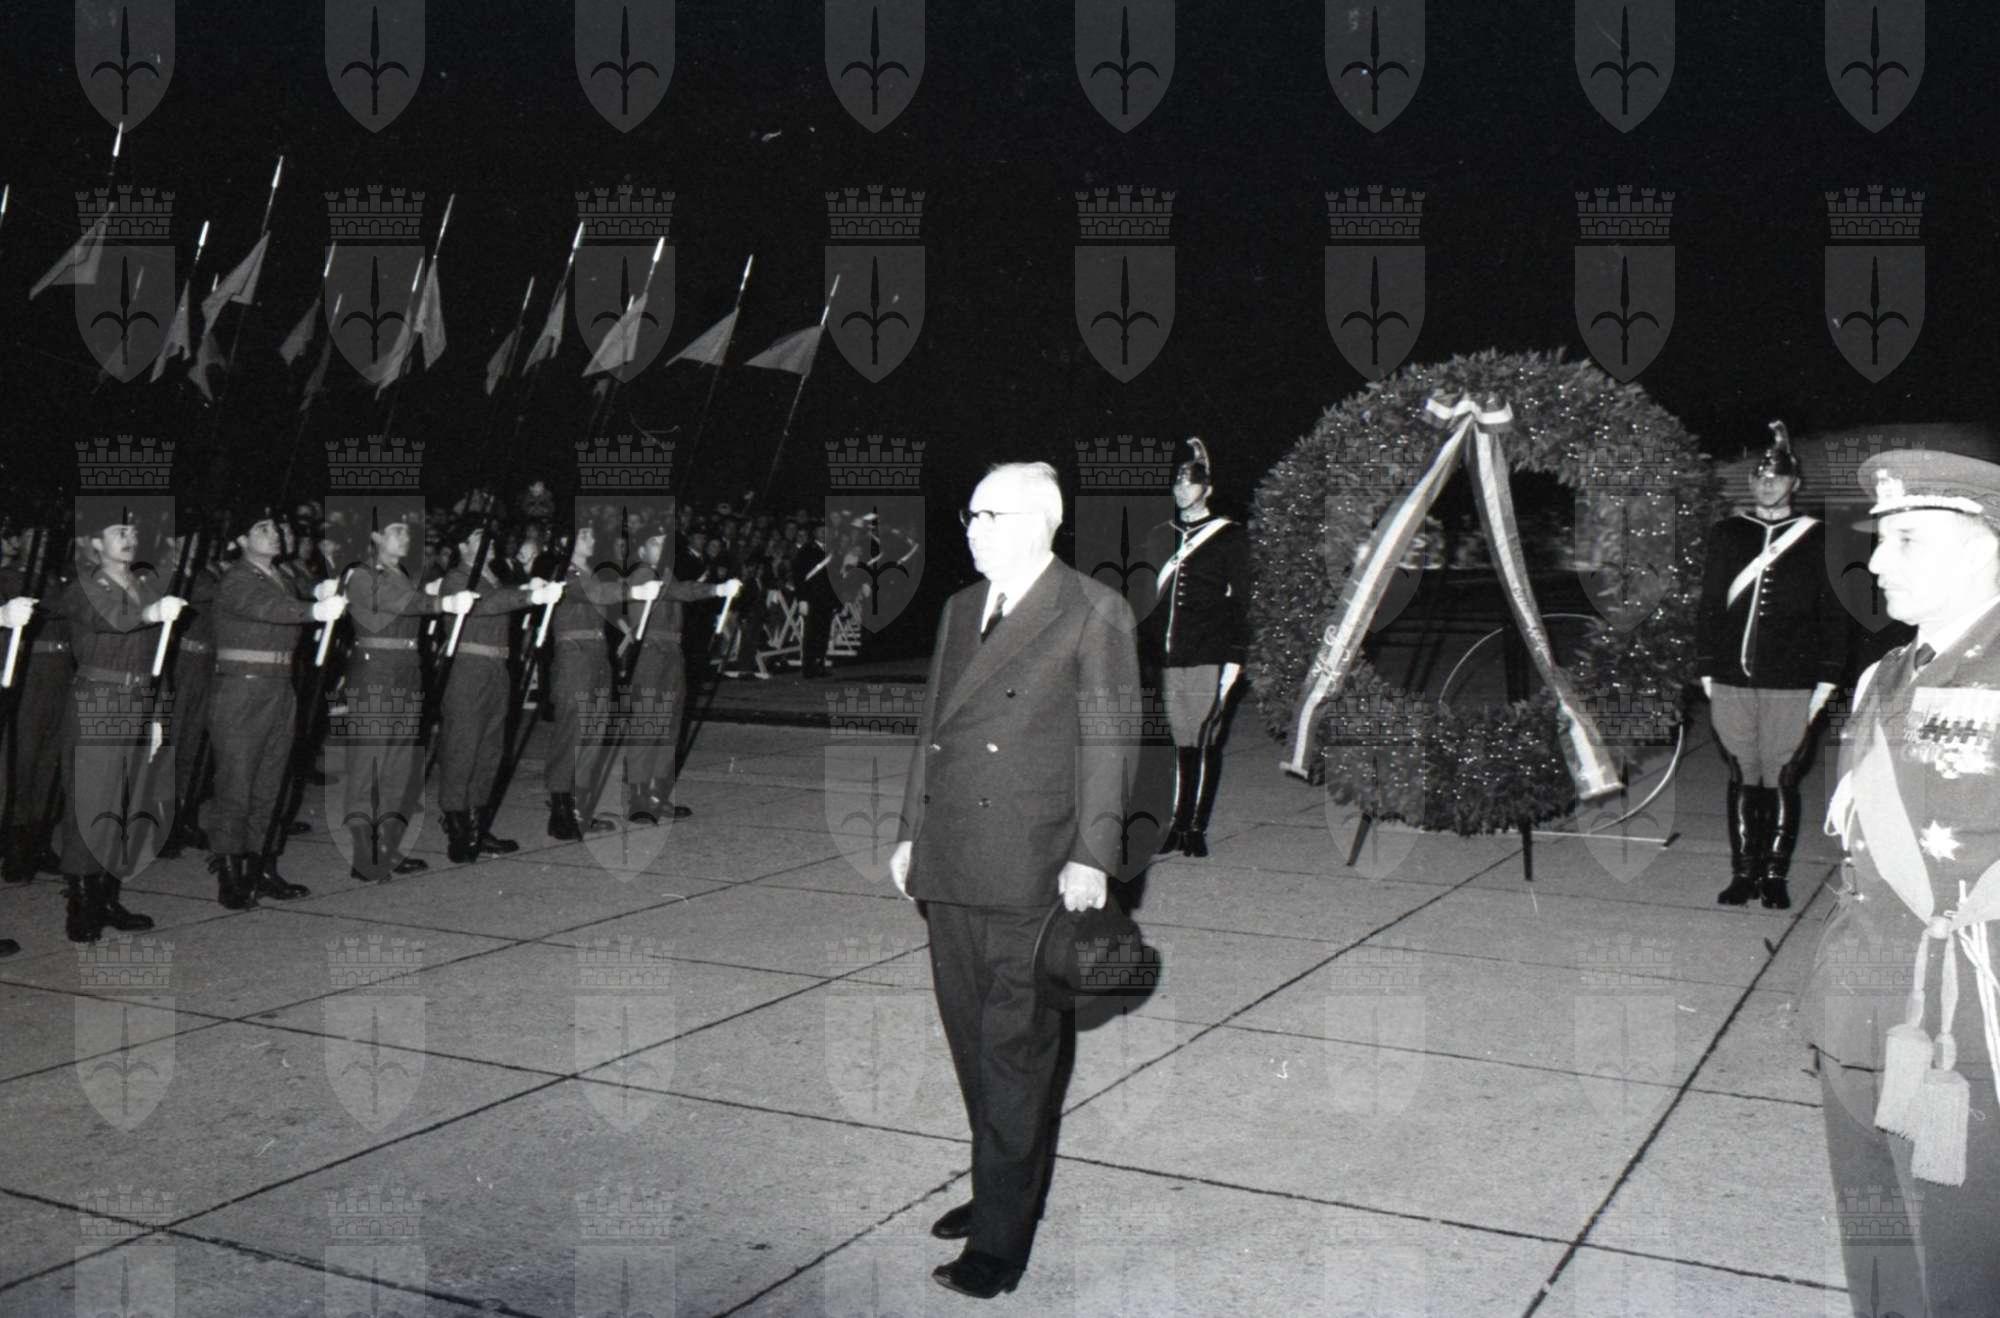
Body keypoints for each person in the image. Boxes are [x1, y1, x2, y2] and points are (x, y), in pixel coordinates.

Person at [888, 462, 1140, 1298]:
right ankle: (1003, 1184)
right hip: (953, 859)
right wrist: (910, 833)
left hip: (1033, 867)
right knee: (971, 1041)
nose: (971, 529)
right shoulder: (963, 607)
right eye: (970, 514)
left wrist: (1093, 856)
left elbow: (1111, 743)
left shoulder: (1092, 610)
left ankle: (1000, 1241)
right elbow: (933, 730)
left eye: (987, 515)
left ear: (1040, 521)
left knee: (1014, 1053)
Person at [1811, 438, 2000, 1315]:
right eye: (1881, 538)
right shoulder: (1883, 675)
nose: (1879, 563)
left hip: (1965, 1028)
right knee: (1879, 1250)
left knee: (1958, 1267)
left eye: (1910, 539)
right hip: (1859, 1006)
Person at [1695, 421, 1846, 909]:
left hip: (1792, 678)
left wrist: (1827, 676)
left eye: (1777, 477)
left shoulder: (1819, 538)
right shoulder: (1727, 534)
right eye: (1760, 477)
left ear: (1794, 483)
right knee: (1742, 772)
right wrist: (1706, 666)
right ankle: (1743, 874)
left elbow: (1834, 612)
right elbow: (1711, 604)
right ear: (1751, 482)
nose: (1767, 484)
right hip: (1732, 676)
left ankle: (1775, 876)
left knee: (1781, 775)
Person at [203, 510, 347, 909]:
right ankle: (230, 871)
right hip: (243, 688)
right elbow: (268, 608)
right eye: (261, 528)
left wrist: (317, 593)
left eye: (275, 528)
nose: (274, 534)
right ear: (240, 541)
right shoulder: (237, 578)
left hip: (279, 686)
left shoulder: (280, 575)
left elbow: (291, 597)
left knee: (271, 782)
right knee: (237, 782)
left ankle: (261, 865)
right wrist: (313, 610)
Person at [55, 509, 178, 942]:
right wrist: (153, 611)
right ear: (94, 543)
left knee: (125, 803)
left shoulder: (144, 587)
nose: (129, 537)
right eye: (118, 531)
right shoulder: (84, 587)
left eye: (132, 530)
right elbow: (113, 618)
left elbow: (159, 657)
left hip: (139, 697)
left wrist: (158, 713)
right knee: (91, 801)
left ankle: (107, 896)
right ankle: (80, 901)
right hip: (100, 698)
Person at [337, 510, 474, 881]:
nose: (405, 537)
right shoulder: (362, 574)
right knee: (370, 763)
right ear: (376, 537)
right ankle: (364, 852)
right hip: (376, 671)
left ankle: (387, 844)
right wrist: (441, 603)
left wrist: (434, 593)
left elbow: (411, 597)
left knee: (399, 765)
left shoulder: (403, 575)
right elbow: (400, 603)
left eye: (406, 532)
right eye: (396, 531)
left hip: (406, 669)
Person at [1139, 438, 1251, 858]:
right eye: (1177, 483)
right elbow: (1145, 599)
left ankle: (1195, 826)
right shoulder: (1159, 537)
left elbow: (1244, 600)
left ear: (1208, 489)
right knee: (1174, 742)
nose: (1182, 490)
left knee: (1202, 740)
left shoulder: (1230, 537)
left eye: (1190, 483)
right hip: (1167, 656)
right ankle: (1173, 823)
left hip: (1209, 653)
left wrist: (1236, 656)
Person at [435, 520, 555, 862]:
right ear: (462, 546)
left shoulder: (494, 578)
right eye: (478, 535)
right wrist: (528, 594)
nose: (488, 541)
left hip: (496, 669)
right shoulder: (456, 578)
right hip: (468, 668)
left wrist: (527, 586)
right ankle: (456, 826)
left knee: (490, 749)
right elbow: (486, 604)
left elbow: (501, 597)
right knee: (462, 747)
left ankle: (477, 825)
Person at [542, 519, 662, 839]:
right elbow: (592, 593)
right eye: (583, 535)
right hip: (574, 657)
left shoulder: (590, 573)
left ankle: (579, 808)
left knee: (593, 735)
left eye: (591, 534)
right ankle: (560, 809)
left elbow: (603, 597)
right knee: (572, 734)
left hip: (596, 657)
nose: (591, 538)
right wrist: (633, 590)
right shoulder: (564, 574)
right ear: (565, 543)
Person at [620, 517, 737, 824]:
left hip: (672, 651)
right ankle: (639, 799)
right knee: (647, 724)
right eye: (655, 543)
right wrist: (715, 588)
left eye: (664, 543)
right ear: (641, 549)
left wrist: (718, 589)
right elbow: (680, 591)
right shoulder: (641, 573)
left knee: (670, 725)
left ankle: (658, 795)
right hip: (650, 652)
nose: (662, 548)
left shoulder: (665, 574)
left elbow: (681, 588)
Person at [0, 518, 71, 886]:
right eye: (33, 535)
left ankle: (38, 839)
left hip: (60, 671)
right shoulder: (12, 577)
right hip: (32, 672)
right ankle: (14, 843)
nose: (43, 542)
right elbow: (55, 606)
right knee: (23, 759)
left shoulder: (57, 578)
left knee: (49, 760)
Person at [792, 520, 840, 679]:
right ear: (814, 533)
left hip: (826, 598)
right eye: (821, 531)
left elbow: (835, 577)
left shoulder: (832, 550)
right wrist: (802, 599)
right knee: (811, 633)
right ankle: (809, 667)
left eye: (827, 531)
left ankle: (820, 664)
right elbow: (799, 576)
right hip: (812, 597)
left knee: (823, 633)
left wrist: (836, 599)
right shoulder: (806, 550)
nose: (824, 534)